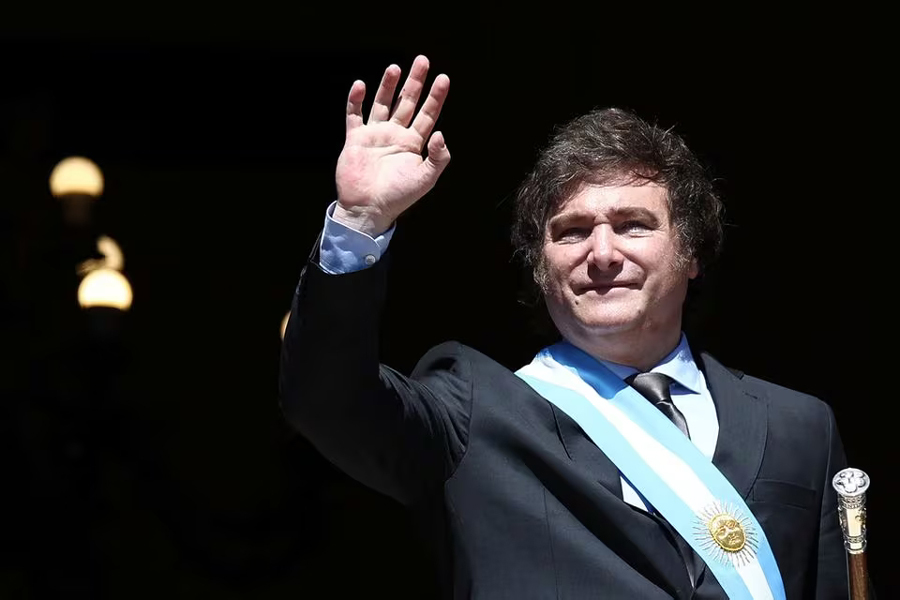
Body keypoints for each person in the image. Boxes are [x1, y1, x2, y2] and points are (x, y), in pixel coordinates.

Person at [280, 55, 848, 599]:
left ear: (691, 252)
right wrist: (361, 222)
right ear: (540, 265)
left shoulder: (800, 428)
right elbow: (325, 399)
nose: (602, 253)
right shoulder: (473, 413)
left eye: (633, 225)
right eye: (572, 232)